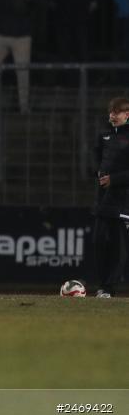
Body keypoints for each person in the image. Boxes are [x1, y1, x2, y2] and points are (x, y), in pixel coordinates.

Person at [91, 97, 129, 298]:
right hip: (103, 198)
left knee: (119, 246)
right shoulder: (104, 135)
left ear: (127, 115)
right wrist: (97, 171)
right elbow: (95, 156)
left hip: (123, 200)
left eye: (117, 112)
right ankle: (102, 284)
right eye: (111, 112)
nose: (112, 115)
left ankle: (109, 288)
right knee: (98, 240)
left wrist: (114, 179)